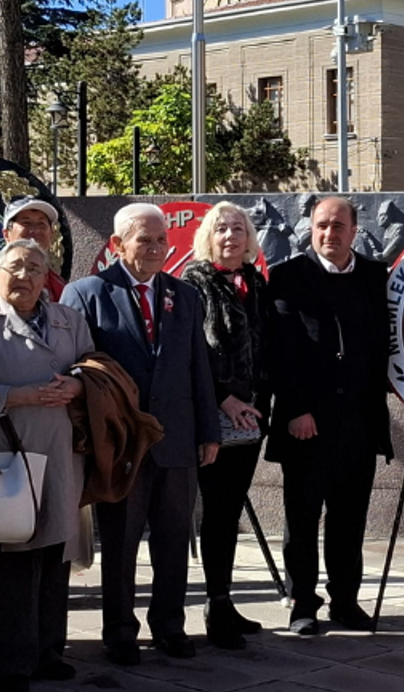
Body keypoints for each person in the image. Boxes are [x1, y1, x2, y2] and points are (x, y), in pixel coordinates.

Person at [60, 203, 221, 666]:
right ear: (117, 245)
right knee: (121, 542)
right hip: (119, 443)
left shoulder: (184, 296)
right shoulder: (87, 293)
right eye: (144, 240)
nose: (154, 248)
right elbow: (76, 366)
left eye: (160, 241)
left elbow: (198, 368)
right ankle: (120, 632)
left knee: (173, 540)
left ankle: (170, 625)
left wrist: (208, 431)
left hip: (176, 440)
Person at [0, 239, 93, 692]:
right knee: (10, 562)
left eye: (35, 268)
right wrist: (22, 396)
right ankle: (10, 661)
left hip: (61, 455)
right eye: (15, 267)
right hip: (6, 455)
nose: (25, 276)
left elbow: (93, 370)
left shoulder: (68, 319)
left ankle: (48, 651)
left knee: (56, 555)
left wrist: (77, 387)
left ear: (47, 277)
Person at [266, 196, 391, 636]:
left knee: (349, 519)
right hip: (307, 425)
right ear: (310, 229)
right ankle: (303, 603)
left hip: (359, 423)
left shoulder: (377, 277)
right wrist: (297, 408)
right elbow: (280, 352)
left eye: (339, 225)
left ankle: (345, 601)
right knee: (302, 519)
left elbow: (385, 346)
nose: (329, 233)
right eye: (321, 225)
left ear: (355, 230)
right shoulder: (286, 277)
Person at [180, 202, 271, 650]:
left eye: (238, 228)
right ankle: (214, 608)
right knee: (214, 514)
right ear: (208, 238)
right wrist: (223, 397)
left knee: (229, 511)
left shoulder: (255, 281)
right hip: (214, 415)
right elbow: (192, 352)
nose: (231, 236)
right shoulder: (193, 284)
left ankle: (225, 600)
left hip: (251, 416)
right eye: (221, 229)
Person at [0, 197, 66, 308]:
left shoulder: (59, 286)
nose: (35, 230)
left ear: (51, 234)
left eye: (41, 224)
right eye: (26, 223)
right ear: (6, 234)